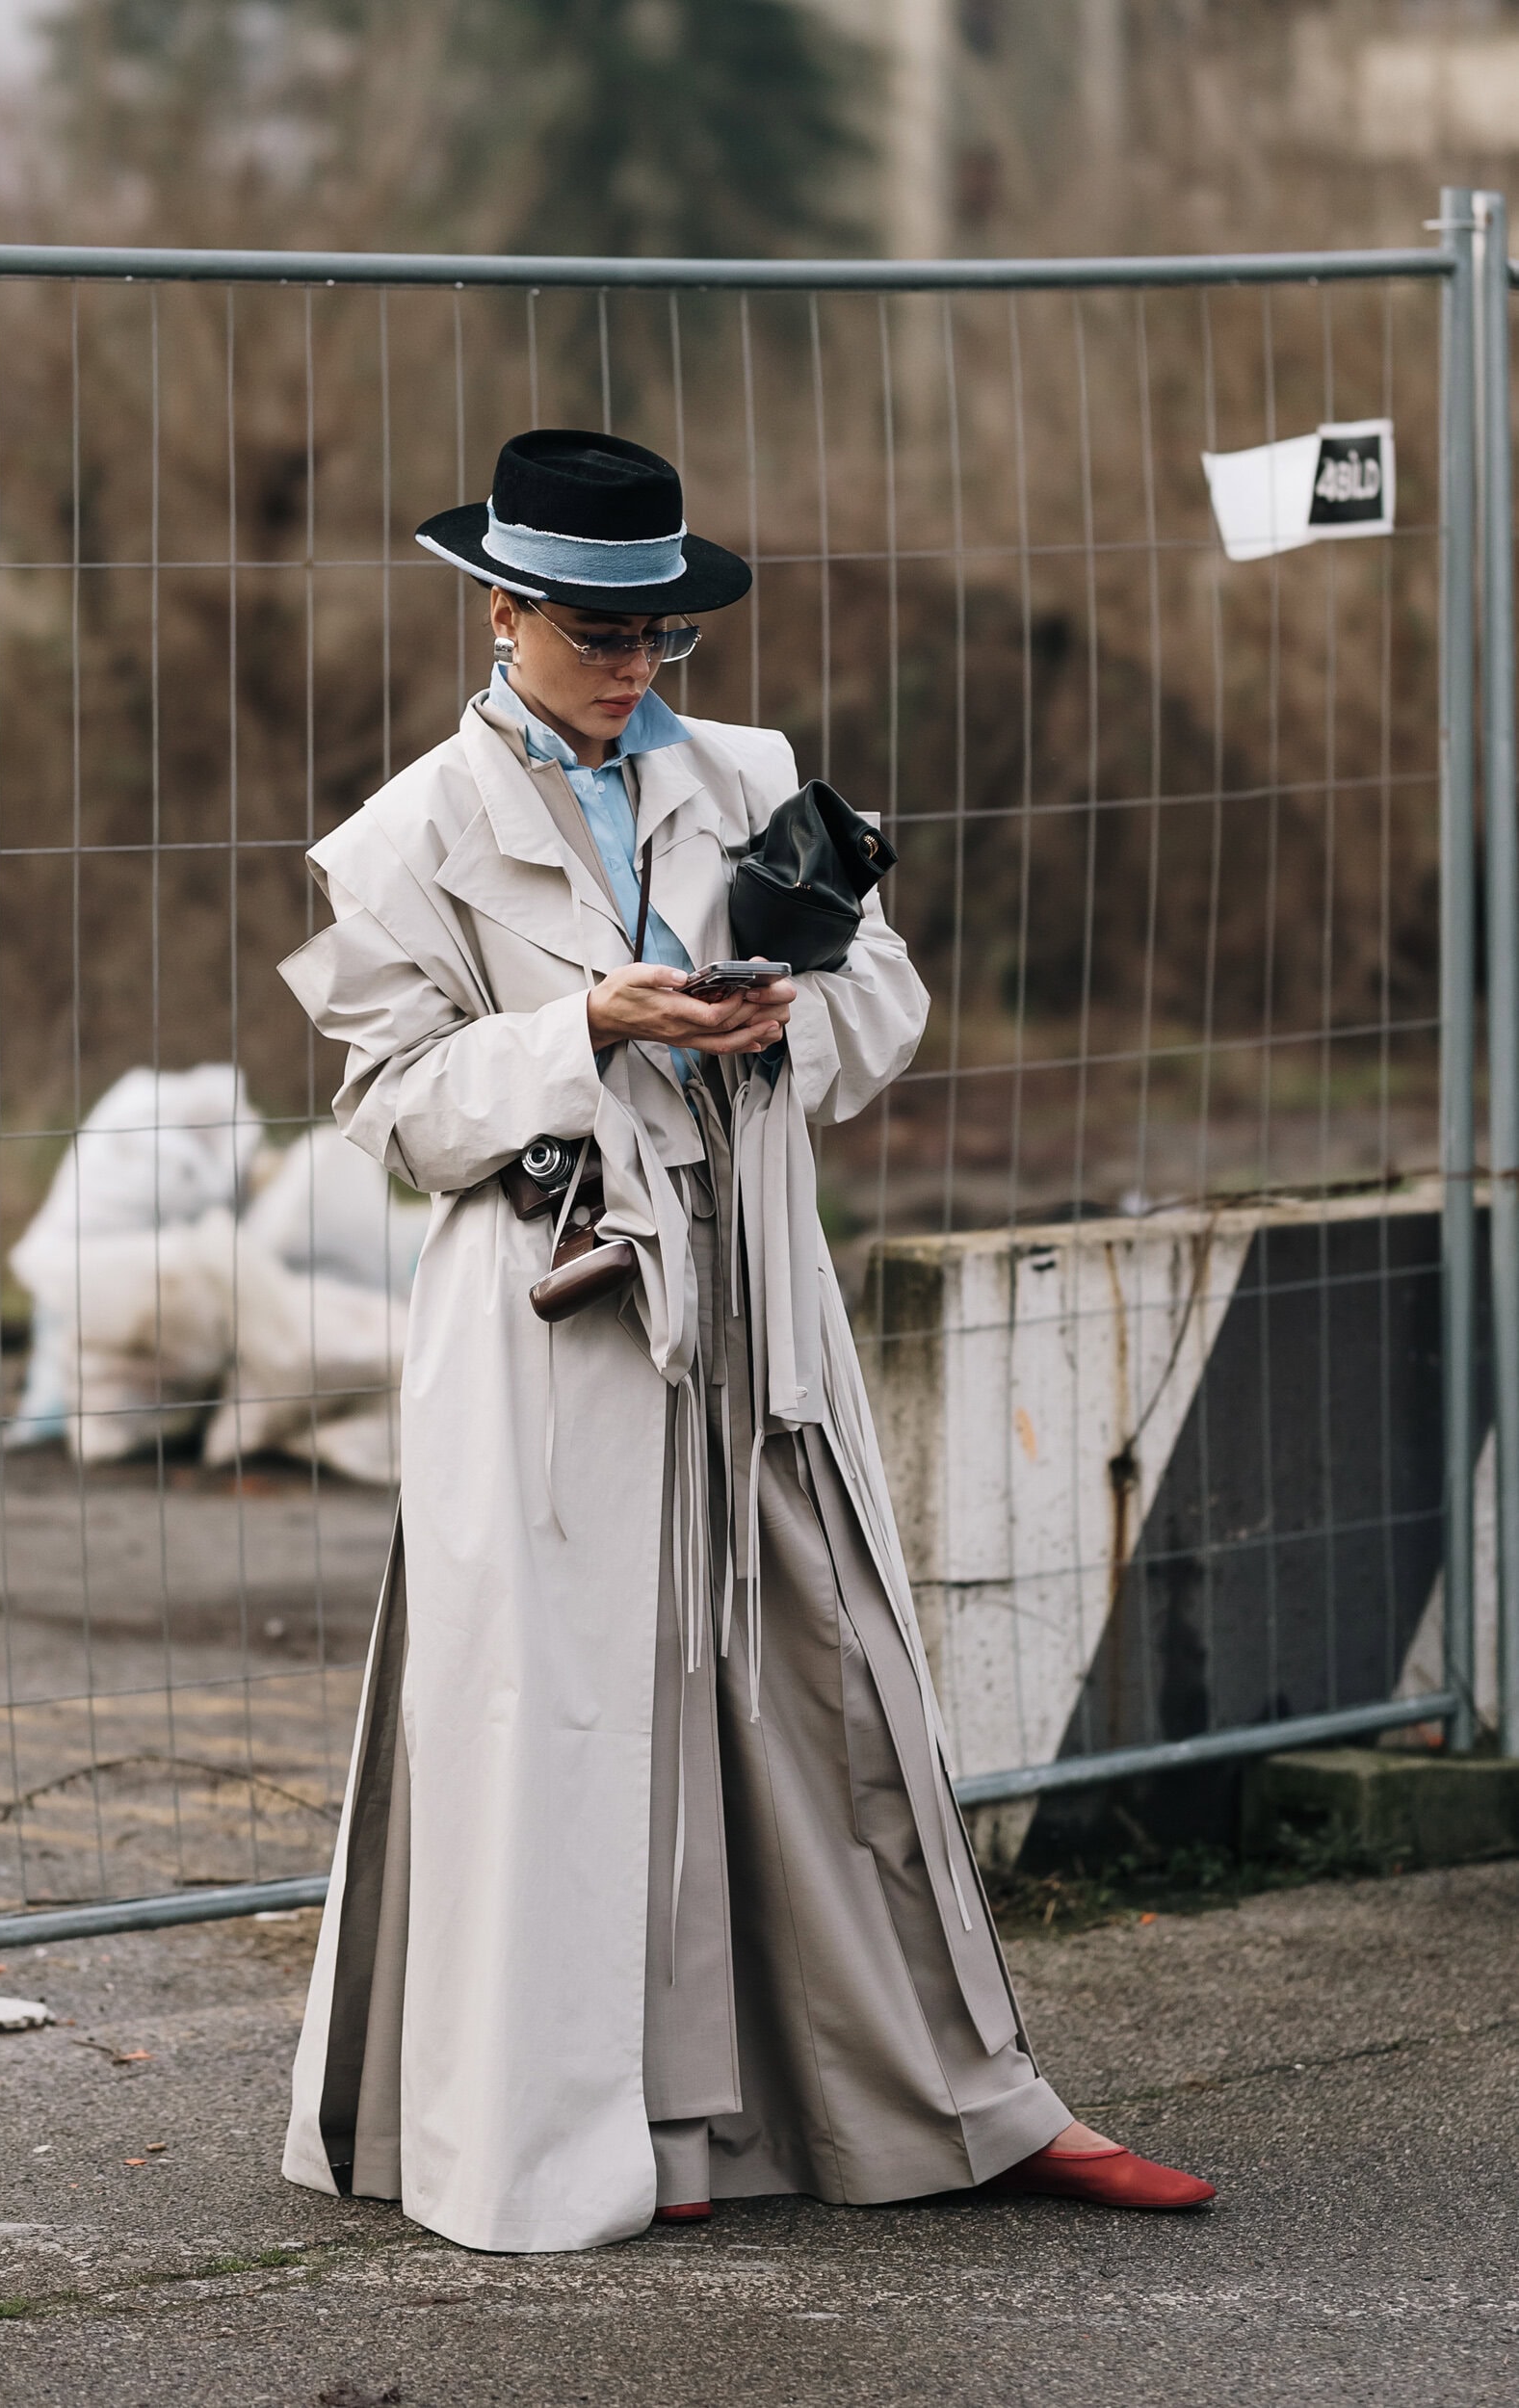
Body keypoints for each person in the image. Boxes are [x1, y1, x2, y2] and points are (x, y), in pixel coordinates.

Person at [278, 428, 1215, 2252]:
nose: (637, 671)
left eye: (662, 637)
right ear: (499, 611)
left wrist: (780, 1010)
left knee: (825, 1682)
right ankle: (600, 2140)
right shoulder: (407, 837)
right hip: (552, 1318)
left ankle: (962, 2106)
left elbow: (884, 1007)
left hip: (762, 1298)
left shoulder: (760, 775)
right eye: (597, 633)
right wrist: (588, 1033)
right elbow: (390, 1110)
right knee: (552, 1722)